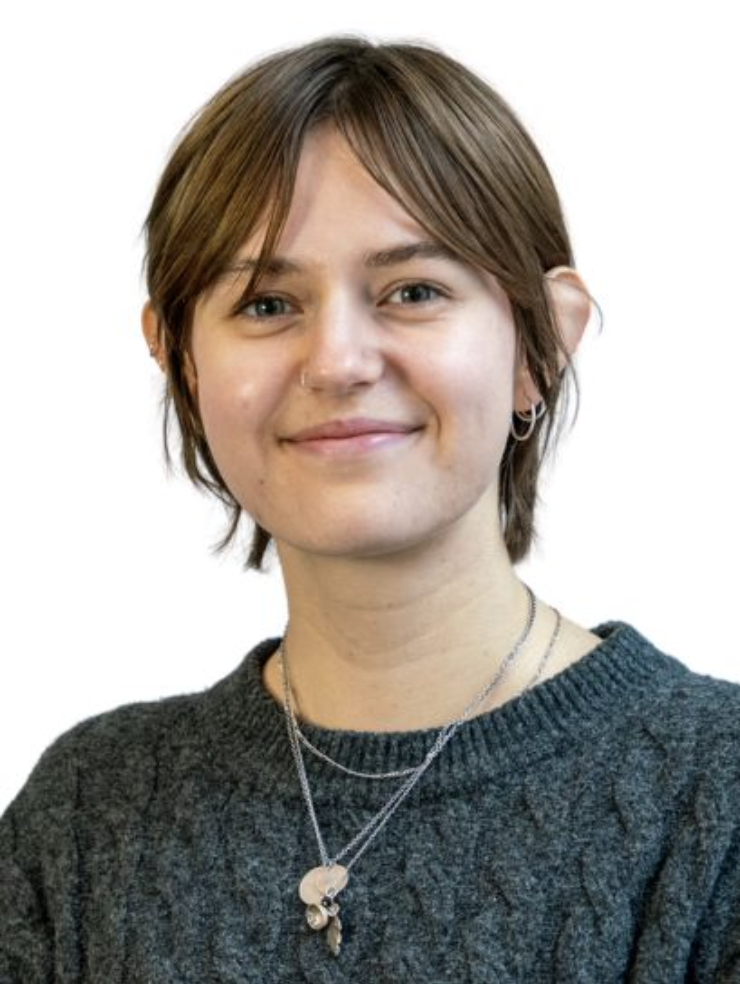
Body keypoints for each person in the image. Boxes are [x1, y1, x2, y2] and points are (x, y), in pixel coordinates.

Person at [1, 34, 739, 983]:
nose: (338, 361)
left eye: (413, 291)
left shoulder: (713, 802)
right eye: (267, 303)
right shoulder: (83, 818)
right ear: (180, 359)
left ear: (541, 344)